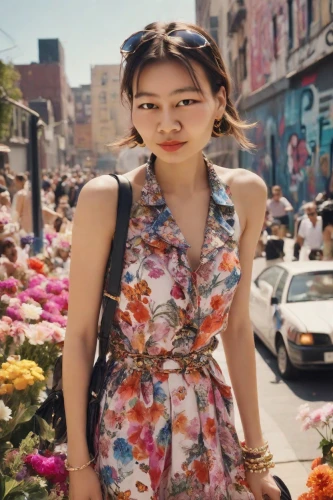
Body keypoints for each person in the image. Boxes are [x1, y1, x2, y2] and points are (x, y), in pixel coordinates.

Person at [63, 22, 280, 500]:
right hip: (127, 433)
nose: (167, 124)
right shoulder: (107, 199)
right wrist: (79, 466)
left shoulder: (246, 194)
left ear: (220, 101)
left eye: (185, 101)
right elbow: (78, 338)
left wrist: (257, 455)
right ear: (132, 110)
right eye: (149, 105)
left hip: (211, 424)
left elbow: (239, 329)